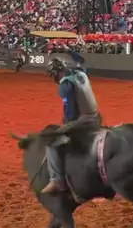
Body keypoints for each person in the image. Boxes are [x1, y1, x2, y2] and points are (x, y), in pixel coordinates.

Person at [41, 47, 100, 195]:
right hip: (97, 117)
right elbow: (81, 60)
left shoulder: (65, 85)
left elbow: (71, 112)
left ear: (55, 73)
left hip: (83, 122)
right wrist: (69, 51)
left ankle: (57, 181)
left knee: (52, 143)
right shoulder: (81, 73)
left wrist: (65, 127)